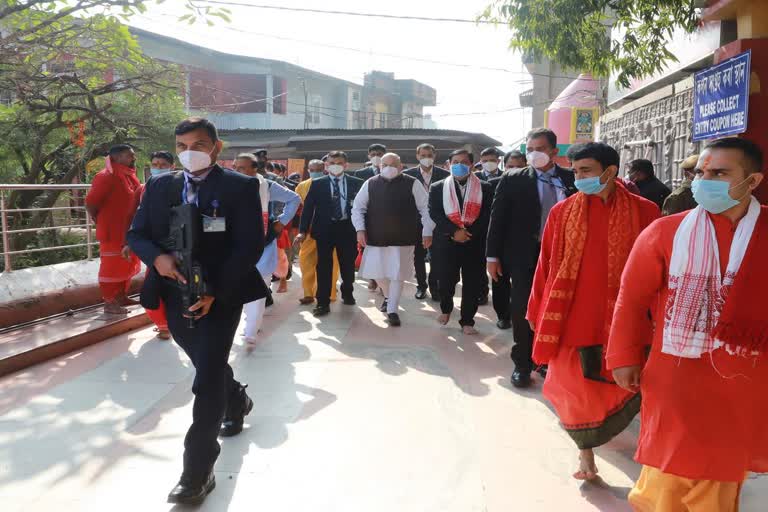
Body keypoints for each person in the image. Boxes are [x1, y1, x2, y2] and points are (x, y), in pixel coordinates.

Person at [608, 137, 768, 511]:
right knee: (668, 474)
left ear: (753, 181)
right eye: (701, 172)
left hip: (748, 377)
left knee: (724, 472)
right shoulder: (664, 232)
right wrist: (624, 355)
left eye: (719, 173)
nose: (703, 180)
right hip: (676, 376)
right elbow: (631, 299)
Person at [127, 117, 268, 505]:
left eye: (200, 144)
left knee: (205, 380)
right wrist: (158, 260)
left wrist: (215, 292)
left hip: (220, 297)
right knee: (207, 363)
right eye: (183, 145)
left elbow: (248, 246)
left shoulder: (240, 186)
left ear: (216, 147)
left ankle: (198, 472)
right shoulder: (158, 185)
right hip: (174, 293)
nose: (191, 152)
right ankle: (236, 396)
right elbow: (136, 234)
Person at [527, 142, 659, 481]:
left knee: (632, 387)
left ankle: (647, 459)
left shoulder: (646, 212)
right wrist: (538, 309)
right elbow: (547, 265)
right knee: (573, 391)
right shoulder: (562, 213)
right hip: (573, 318)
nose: (578, 177)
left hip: (627, 322)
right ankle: (585, 455)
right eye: (575, 171)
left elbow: (659, 269)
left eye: (586, 170)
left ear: (610, 171)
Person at [486, 128, 577, 387]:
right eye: (530, 149)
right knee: (523, 309)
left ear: (554, 151)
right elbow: (498, 219)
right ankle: (522, 364)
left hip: (563, 257)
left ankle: (547, 360)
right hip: (524, 255)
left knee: (557, 308)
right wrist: (492, 256)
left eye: (540, 148)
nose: (534, 153)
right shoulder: (513, 179)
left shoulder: (570, 179)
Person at [352, 152, 434, 326]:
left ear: (401, 166)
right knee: (378, 274)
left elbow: (426, 209)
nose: (388, 168)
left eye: (393, 164)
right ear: (379, 166)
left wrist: (427, 231)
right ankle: (389, 297)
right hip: (375, 237)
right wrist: (360, 229)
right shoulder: (370, 183)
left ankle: (393, 310)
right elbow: (358, 208)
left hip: (404, 238)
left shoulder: (413, 183)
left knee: (397, 274)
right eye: (385, 165)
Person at [234, 153, 300, 350]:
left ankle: (251, 331)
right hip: (235, 246)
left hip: (263, 243)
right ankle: (250, 322)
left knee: (258, 287)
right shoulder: (228, 186)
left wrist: (282, 221)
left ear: (254, 169)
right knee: (240, 288)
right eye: (235, 167)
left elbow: (294, 198)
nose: (237, 171)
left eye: (241, 168)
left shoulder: (267, 186)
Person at [429, 149, 493, 335]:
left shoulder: (485, 187)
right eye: (455, 161)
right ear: (449, 164)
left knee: (472, 283)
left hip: (474, 243)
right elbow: (435, 213)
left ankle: (467, 320)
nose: (459, 165)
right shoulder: (438, 187)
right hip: (447, 242)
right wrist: (454, 232)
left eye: (464, 162)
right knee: (446, 280)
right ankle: (446, 308)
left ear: (471, 165)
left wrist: (468, 233)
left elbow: (487, 215)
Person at [296, 151, 363, 317]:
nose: (336, 165)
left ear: (346, 165)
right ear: (326, 166)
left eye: (339, 163)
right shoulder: (317, 184)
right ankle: (322, 302)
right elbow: (308, 209)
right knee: (324, 266)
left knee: (347, 265)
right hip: (324, 230)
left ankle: (347, 291)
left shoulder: (357, 183)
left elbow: (363, 208)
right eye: (332, 162)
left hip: (347, 229)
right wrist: (302, 231)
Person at [85, 144, 142, 315]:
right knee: (111, 266)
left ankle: (121, 297)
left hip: (128, 230)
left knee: (127, 263)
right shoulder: (105, 176)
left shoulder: (130, 176)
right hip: (112, 232)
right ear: (116, 157)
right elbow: (91, 204)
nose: (133, 158)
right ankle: (109, 302)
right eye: (129, 155)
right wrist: (101, 221)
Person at [403, 143, 449, 301]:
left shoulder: (445, 174)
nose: (426, 158)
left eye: (429, 155)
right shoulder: (408, 175)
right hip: (416, 221)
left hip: (439, 221)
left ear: (434, 156)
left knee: (437, 255)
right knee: (418, 255)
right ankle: (421, 286)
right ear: (417, 156)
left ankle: (434, 286)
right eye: (423, 155)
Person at [140, 150, 176, 339]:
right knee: (153, 287)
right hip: (153, 247)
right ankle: (164, 326)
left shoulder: (180, 186)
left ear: (172, 166)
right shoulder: (146, 188)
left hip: (175, 246)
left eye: (162, 165)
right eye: (155, 164)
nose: (158, 168)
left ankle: (166, 326)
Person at [295, 160, 340, 305]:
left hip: (329, 230)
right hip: (308, 231)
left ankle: (329, 293)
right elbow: (300, 209)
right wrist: (301, 230)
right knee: (306, 261)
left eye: (318, 169)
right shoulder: (301, 186)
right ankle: (308, 293)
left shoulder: (333, 184)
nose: (315, 172)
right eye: (312, 169)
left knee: (331, 262)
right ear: (308, 170)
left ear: (325, 169)